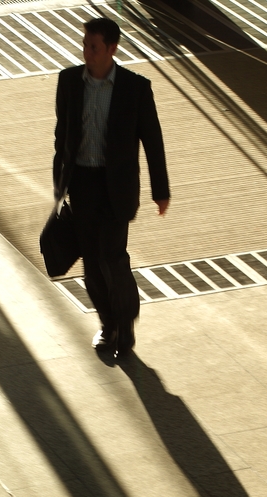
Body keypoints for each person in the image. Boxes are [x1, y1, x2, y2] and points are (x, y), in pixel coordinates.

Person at [53, 16, 170, 355]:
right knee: (91, 260)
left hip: (116, 187)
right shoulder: (70, 81)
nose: (87, 52)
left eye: (94, 46)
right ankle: (108, 325)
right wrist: (59, 183)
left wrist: (160, 190)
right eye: (85, 45)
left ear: (112, 49)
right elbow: (63, 137)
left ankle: (126, 325)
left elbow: (153, 140)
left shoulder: (135, 87)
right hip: (82, 183)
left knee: (112, 257)